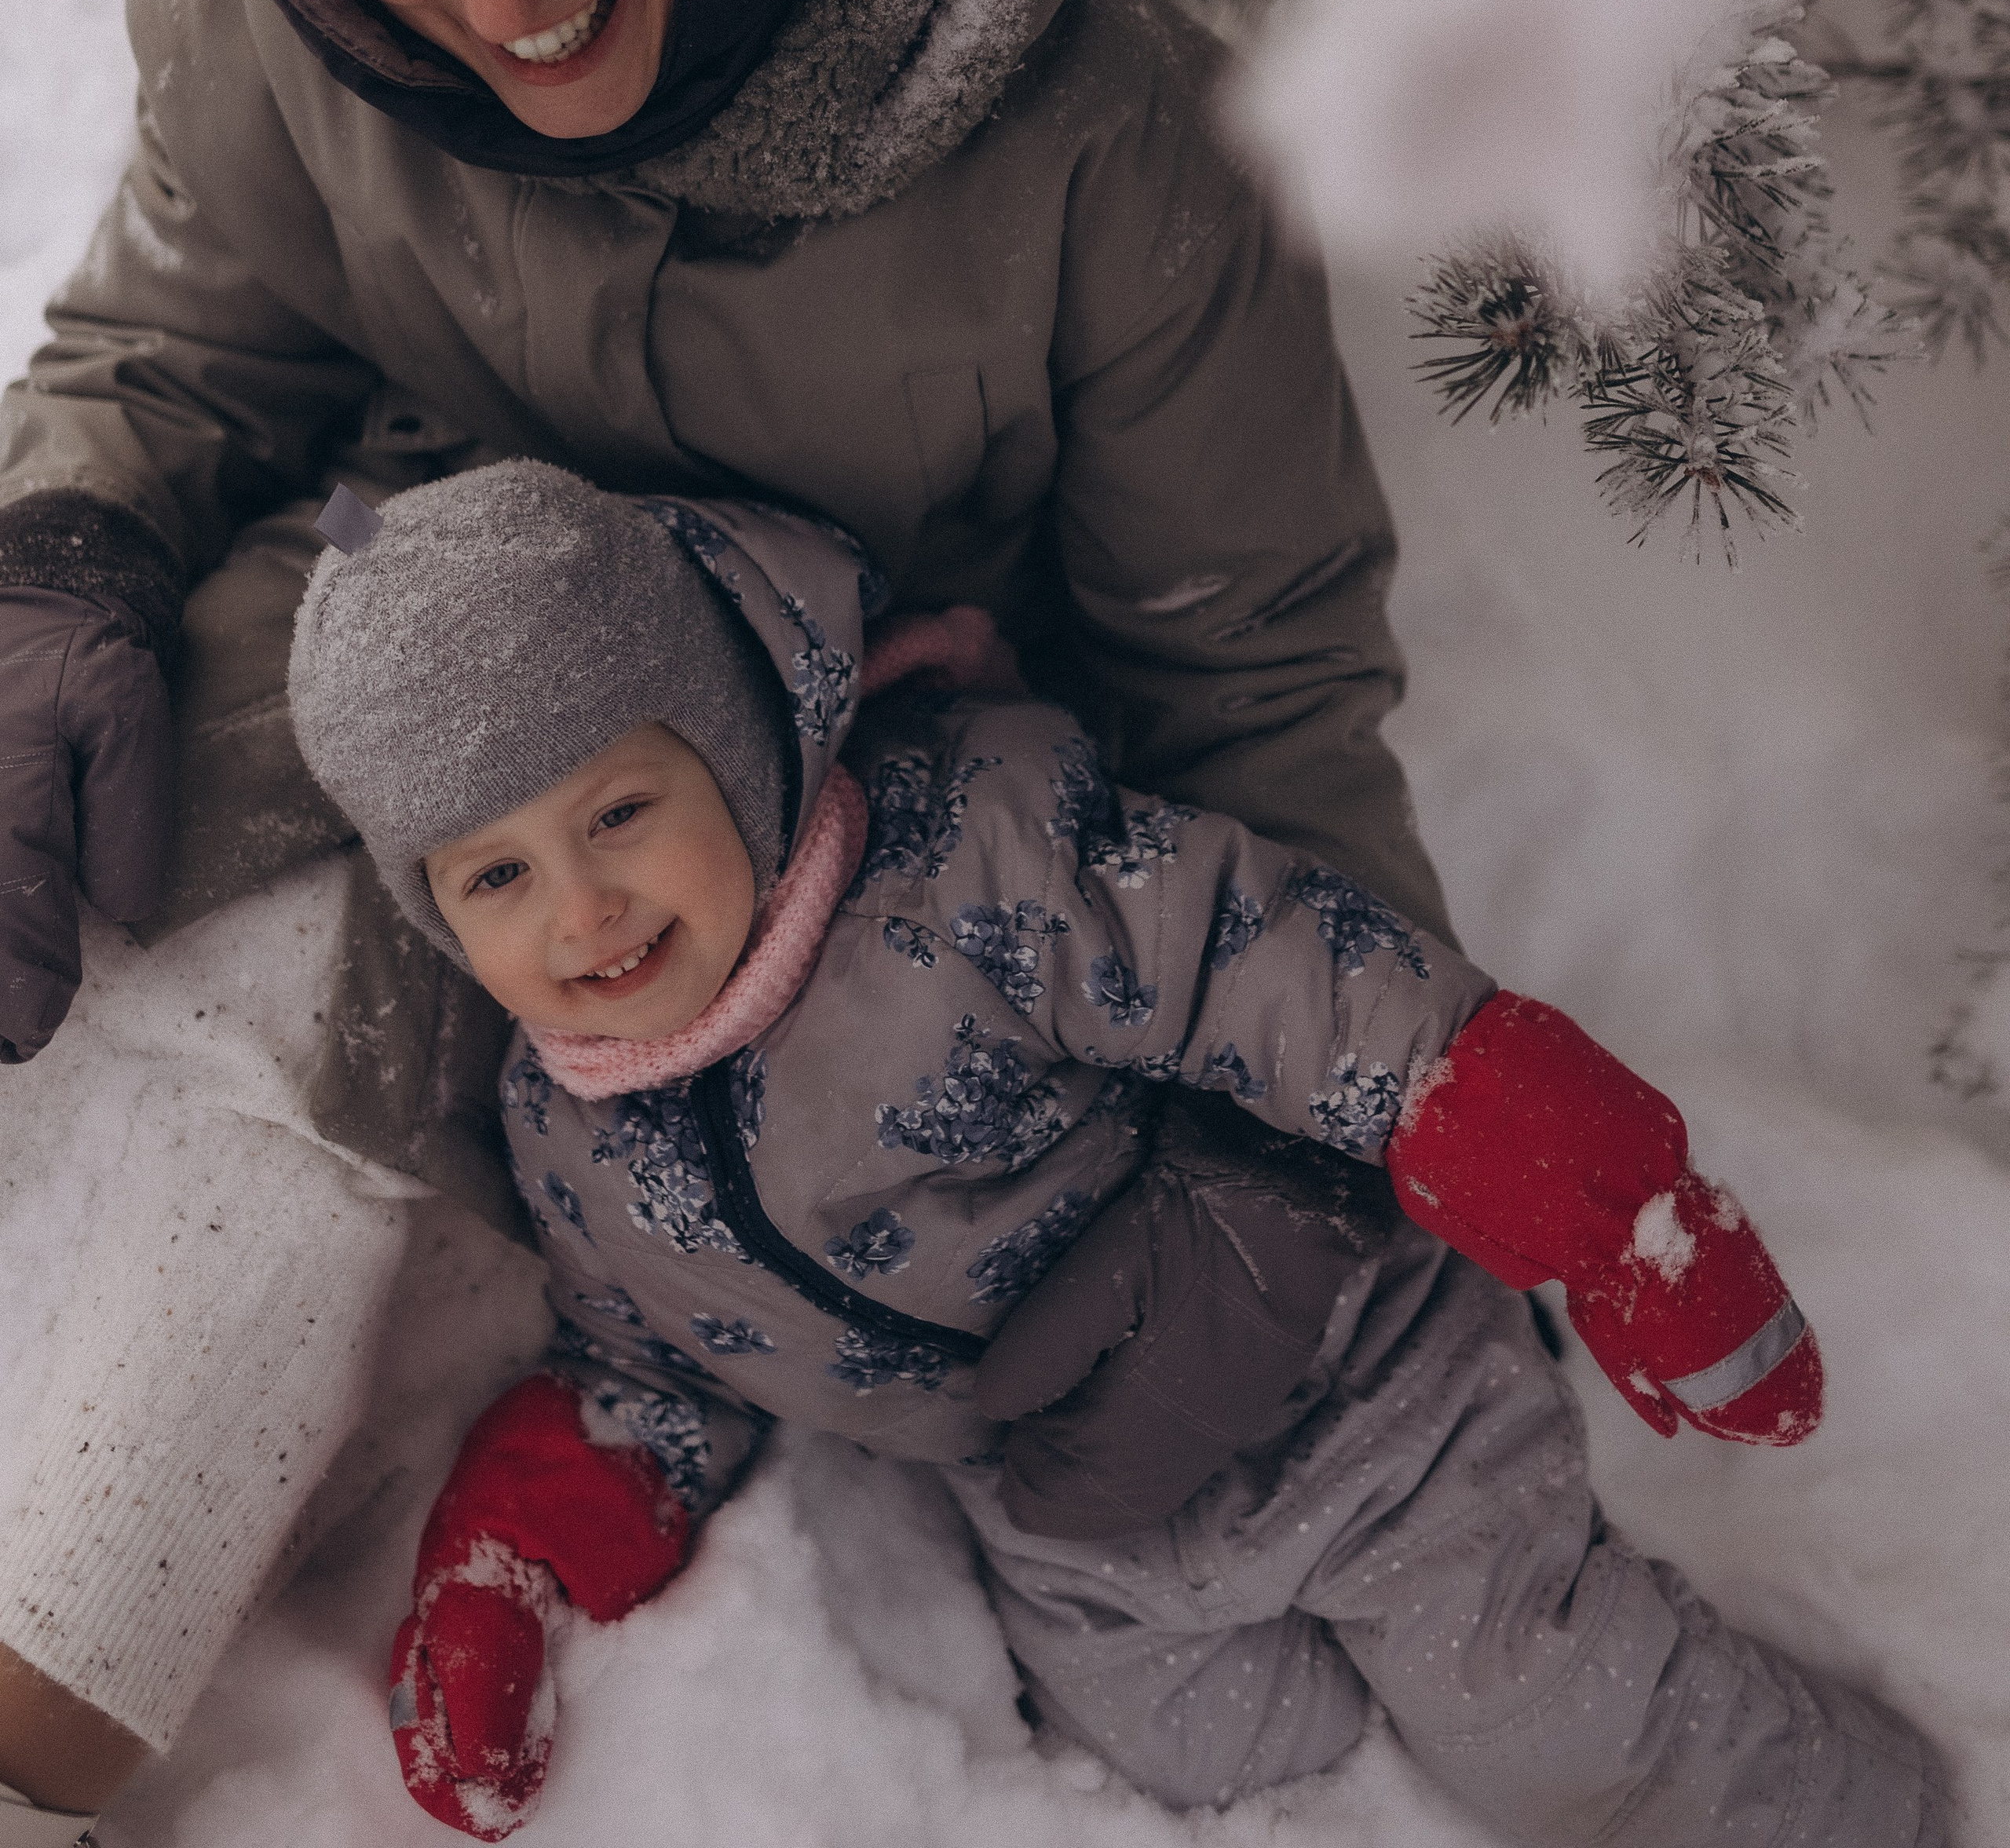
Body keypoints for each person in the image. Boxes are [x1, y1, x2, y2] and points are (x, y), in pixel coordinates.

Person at [0, 0, 1451, 1840]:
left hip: (783, 857)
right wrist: (61, 553)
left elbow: (1257, 664)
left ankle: (51, 1697)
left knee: (296, 1080)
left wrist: (1331, 1147)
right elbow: (174, 343)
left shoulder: (1091, 151)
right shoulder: (278, 0)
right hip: (400, 641)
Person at [284, 460, 1936, 1848]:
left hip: (1343, 1375)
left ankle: (1859, 1809)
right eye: (493, 880)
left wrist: (1583, 1189)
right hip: (1080, 1532)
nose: (583, 911)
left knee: (1536, 1707)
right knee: (1225, 1778)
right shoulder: (567, 1137)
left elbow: (1273, 967)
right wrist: (517, 1561)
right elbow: (648, 1359)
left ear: (727, 746)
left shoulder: (963, 870)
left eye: (618, 813)